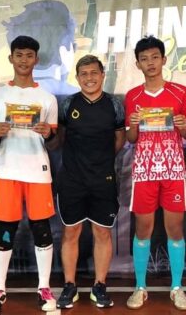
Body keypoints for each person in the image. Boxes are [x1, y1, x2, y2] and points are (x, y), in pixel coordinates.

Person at [0, 35, 59, 314]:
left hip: (38, 169)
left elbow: (54, 143)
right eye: (19, 55)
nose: (24, 60)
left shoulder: (47, 98)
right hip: (7, 169)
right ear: (11, 58)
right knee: (5, 229)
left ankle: (44, 287)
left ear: (36, 59)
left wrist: (49, 134)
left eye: (29, 55)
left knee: (42, 229)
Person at [124, 36, 186, 310]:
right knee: (143, 229)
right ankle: (140, 287)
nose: (150, 63)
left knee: (174, 229)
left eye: (155, 57)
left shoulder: (180, 92)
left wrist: (183, 126)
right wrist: (133, 125)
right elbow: (131, 138)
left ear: (164, 60)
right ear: (138, 64)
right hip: (144, 171)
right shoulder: (133, 96)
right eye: (144, 59)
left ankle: (177, 287)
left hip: (173, 169)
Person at [55, 55, 126, 309]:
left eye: (94, 72)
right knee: (71, 231)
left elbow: (119, 139)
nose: (89, 78)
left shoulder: (114, 105)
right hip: (72, 180)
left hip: (103, 179)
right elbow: (60, 139)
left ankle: (99, 286)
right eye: (83, 74)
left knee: (102, 232)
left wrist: (101, 161)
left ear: (102, 74)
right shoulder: (68, 105)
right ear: (77, 78)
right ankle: (69, 286)